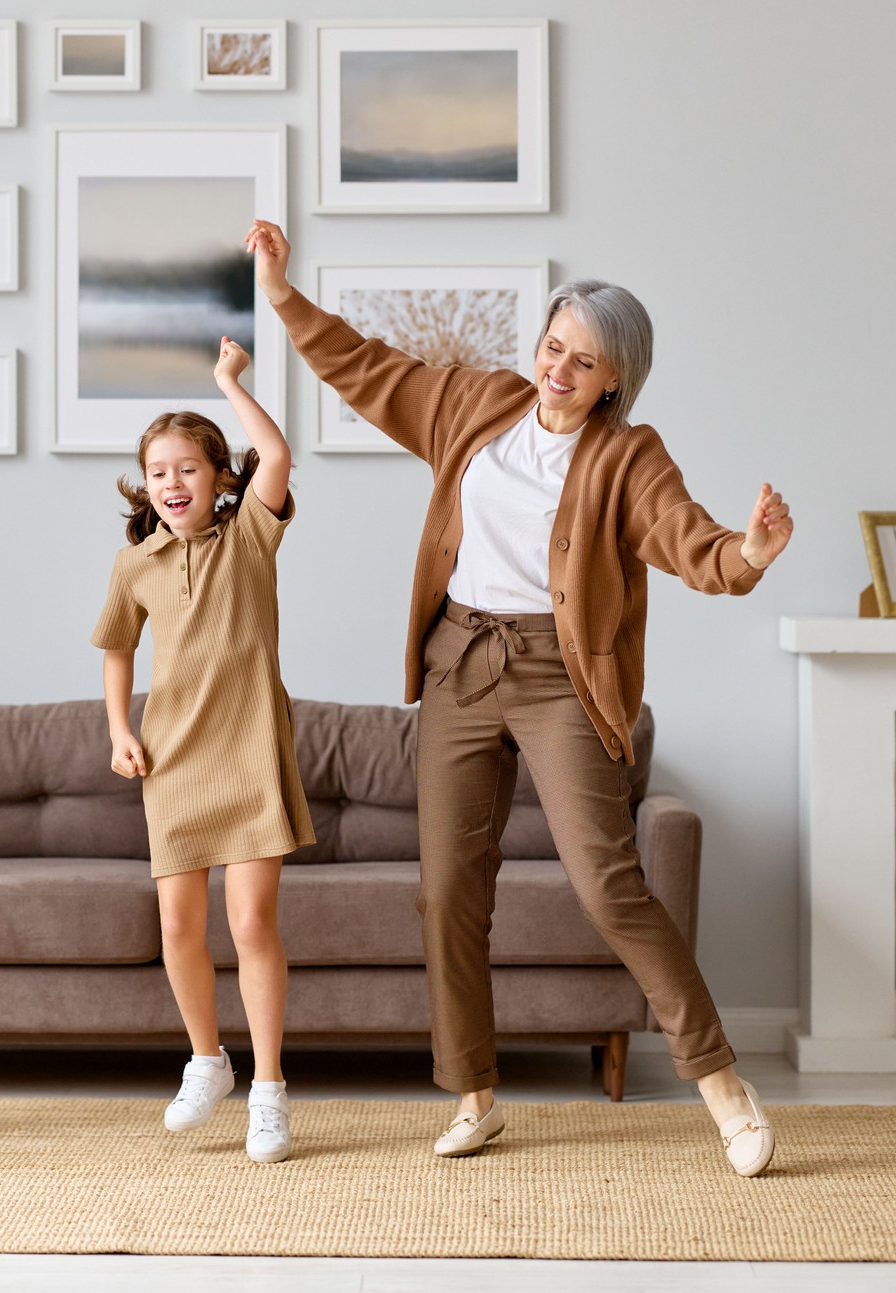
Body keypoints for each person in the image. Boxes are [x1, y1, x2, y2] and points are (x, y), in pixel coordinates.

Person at [244, 220, 794, 1178]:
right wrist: (282, 293)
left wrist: (745, 553)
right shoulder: (474, 404)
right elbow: (367, 369)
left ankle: (722, 1085)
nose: (560, 372)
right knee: (449, 890)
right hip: (459, 661)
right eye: (553, 348)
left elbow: (682, 535)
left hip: (556, 675)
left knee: (608, 885)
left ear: (614, 379)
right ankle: (475, 1094)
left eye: (585, 363)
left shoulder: (629, 456)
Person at [91, 338, 313, 1165]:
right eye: (158, 471)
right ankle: (208, 1061)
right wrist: (120, 727)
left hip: (251, 751)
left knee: (251, 922)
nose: (173, 484)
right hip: (174, 760)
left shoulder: (251, 535)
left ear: (221, 477)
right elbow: (115, 646)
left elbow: (280, 453)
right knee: (179, 926)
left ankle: (269, 1089)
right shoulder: (134, 562)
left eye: (189, 467)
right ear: (144, 486)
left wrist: (229, 382)